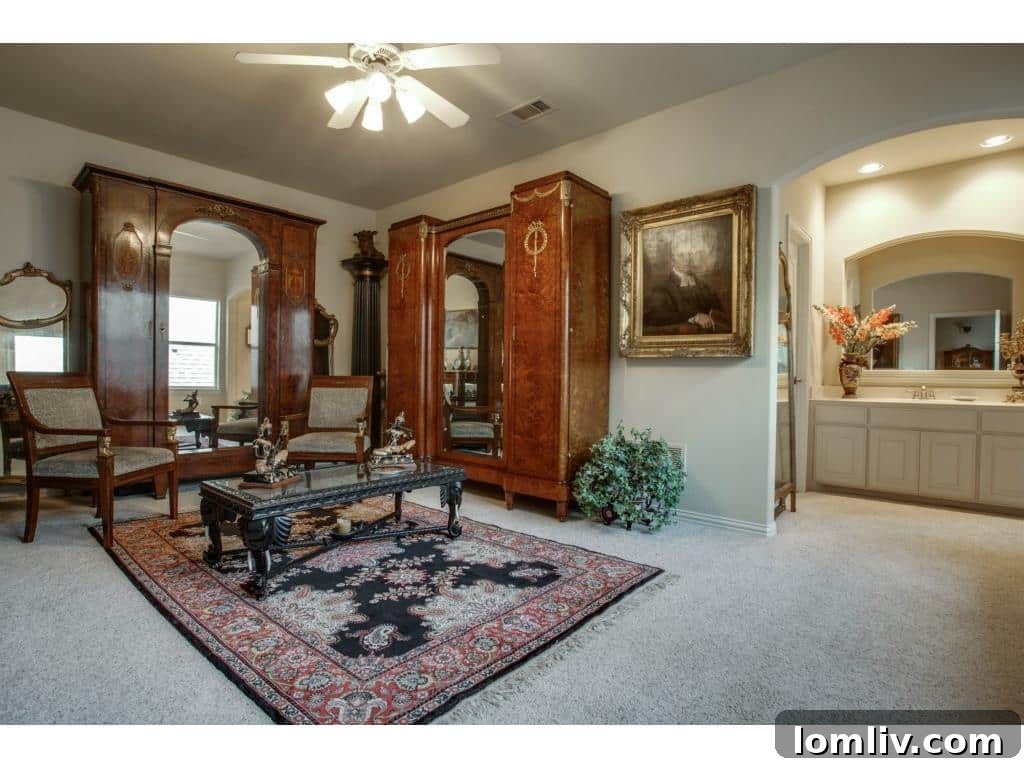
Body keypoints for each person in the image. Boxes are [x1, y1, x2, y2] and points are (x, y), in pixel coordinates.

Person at [643, 245, 724, 332]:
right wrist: (694, 316)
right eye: (681, 255)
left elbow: (718, 309)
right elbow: (653, 317)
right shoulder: (662, 288)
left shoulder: (702, 285)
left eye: (688, 255)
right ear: (672, 261)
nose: (687, 260)